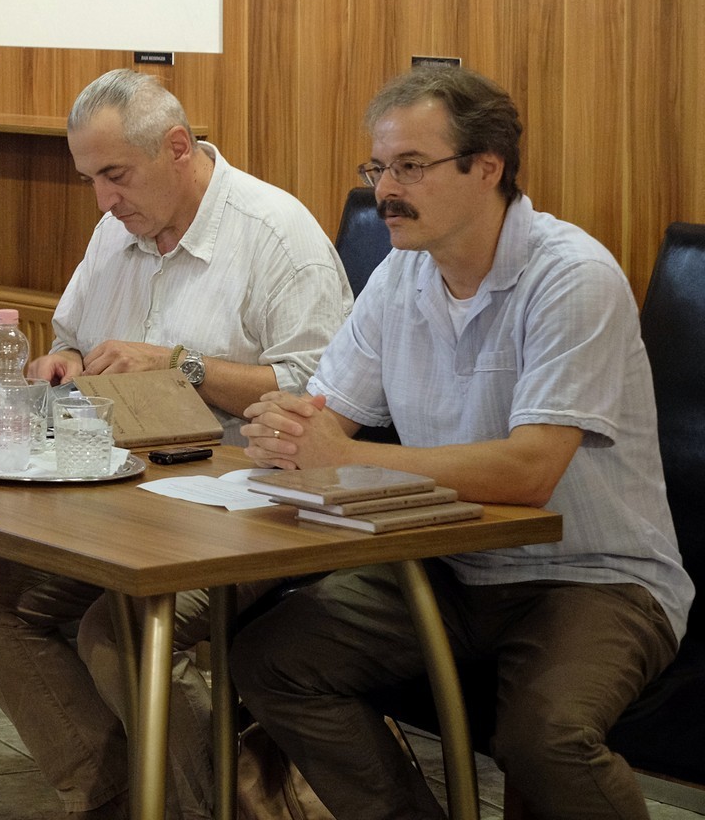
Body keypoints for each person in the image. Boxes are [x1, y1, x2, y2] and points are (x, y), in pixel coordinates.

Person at [235, 67, 691, 820]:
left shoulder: (571, 277)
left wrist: (341, 454)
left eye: (411, 166)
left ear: (487, 168)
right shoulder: (399, 276)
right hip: (448, 564)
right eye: (378, 168)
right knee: (272, 660)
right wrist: (284, 428)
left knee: (545, 739)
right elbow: (326, 416)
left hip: (594, 577)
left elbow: (530, 471)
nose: (385, 190)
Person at [0, 69, 352, 820]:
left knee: (123, 626)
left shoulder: (275, 237)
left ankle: (222, 807)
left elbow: (319, 395)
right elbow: (71, 337)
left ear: (178, 148)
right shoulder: (116, 231)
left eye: (116, 175)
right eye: (91, 180)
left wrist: (180, 365)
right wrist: (60, 363)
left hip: (252, 503)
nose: (103, 200)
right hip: (126, 494)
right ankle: (120, 800)